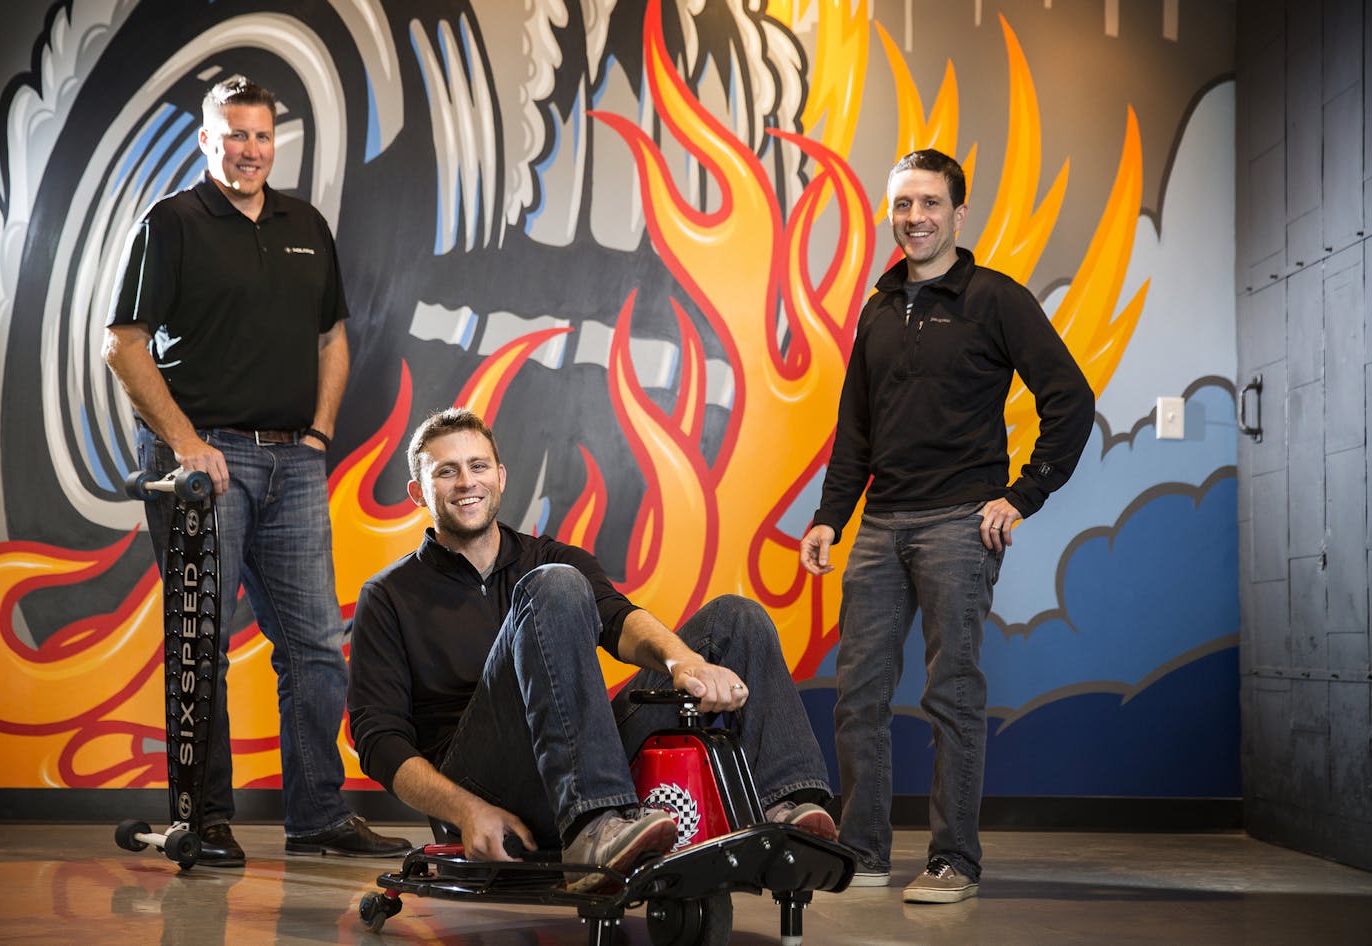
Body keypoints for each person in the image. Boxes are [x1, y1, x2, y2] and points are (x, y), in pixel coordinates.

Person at [102, 76, 411, 866]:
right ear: (206, 140)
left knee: (314, 645)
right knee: (199, 644)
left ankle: (316, 816)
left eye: (261, 137)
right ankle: (203, 819)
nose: (248, 150)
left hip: (292, 463)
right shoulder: (171, 222)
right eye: (233, 135)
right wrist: (183, 444)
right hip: (205, 465)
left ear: (277, 143)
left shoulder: (303, 223)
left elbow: (331, 337)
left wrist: (319, 434)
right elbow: (123, 344)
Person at [347, 408, 837, 889]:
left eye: (477, 466)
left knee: (736, 617)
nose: (466, 482)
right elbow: (378, 742)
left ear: (499, 476)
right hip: (481, 783)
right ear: (418, 493)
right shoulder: (389, 594)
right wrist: (467, 811)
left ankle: (785, 811)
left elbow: (620, 621)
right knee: (555, 585)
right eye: (446, 472)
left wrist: (683, 659)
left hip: (582, 759)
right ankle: (593, 825)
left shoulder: (551, 556)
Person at [799, 150, 1095, 903]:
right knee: (858, 696)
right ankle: (862, 852)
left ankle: (953, 861)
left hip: (960, 526)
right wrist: (831, 518)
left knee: (951, 694)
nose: (915, 218)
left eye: (930, 204)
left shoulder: (995, 298)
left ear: (959, 213)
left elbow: (1070, 397)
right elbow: (854, 429)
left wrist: (1023, 497)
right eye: (902, 205)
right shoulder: (877, 306)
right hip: (878, 528)